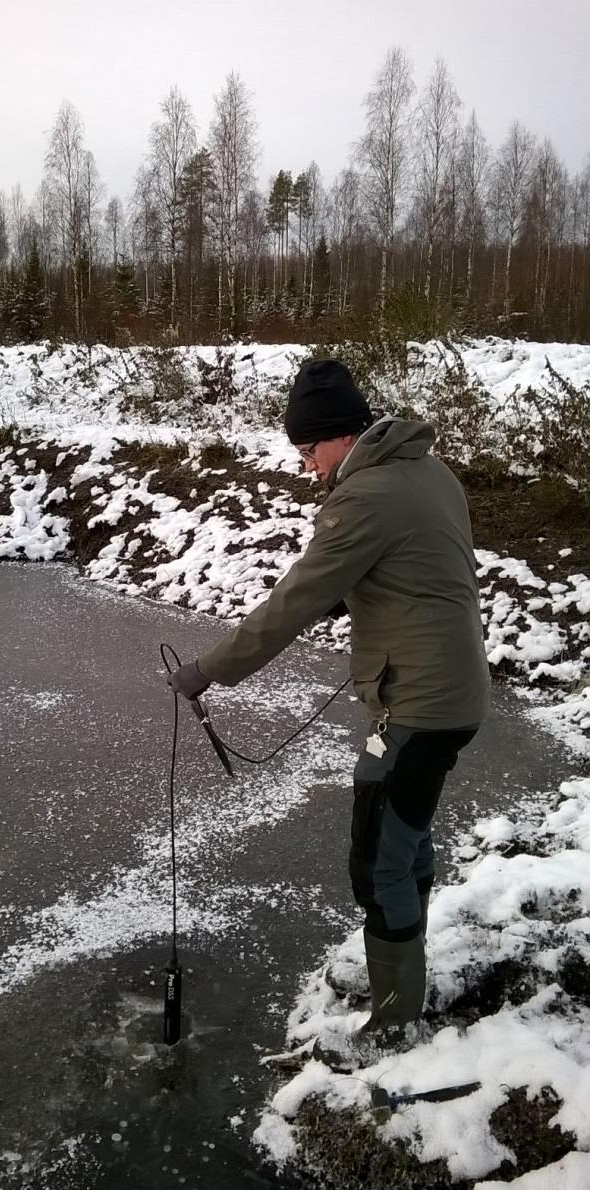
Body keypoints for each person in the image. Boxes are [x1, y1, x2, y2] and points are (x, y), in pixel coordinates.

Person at [168, 358, 490, 1067]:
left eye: (308, 450)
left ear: (341, 437)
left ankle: (395, 1024)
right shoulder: (427, 471)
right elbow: (426, 571)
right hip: (451, 690)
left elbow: (293, 600)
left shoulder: (365, 496)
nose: (307, 467)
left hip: (421, 702)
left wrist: (206, 672)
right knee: (403, 839)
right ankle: (402, 984)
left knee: (377, 859)